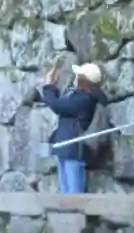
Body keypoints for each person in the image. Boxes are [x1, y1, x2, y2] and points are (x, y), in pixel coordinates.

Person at [38, 62, 106, 196]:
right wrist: (52, 88)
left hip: (74, 150)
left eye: (79, 76)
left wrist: (48, 86)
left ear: (86, 80)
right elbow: (61, 104)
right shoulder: (78, 95)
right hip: (66, 148)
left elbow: (58, 106)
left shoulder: (86, 99)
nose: (76, 78)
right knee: (65, 194)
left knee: (74, 195)